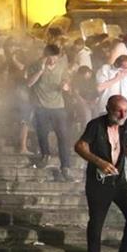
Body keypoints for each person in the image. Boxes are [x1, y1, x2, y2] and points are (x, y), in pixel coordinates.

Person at [74, 95, 127, 252]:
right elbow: (80, 146)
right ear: (108, 109)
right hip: (99, 183)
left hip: (119, 181)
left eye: (125, 111)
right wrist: (99, 162)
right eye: (118, 111)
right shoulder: (95, 125)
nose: (122, 115)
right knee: (97, 222)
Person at [27, 44, 74, 181]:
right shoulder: (35, 65)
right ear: (44, 56)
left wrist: (65, 86)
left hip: (58, 106)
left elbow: (67, 82)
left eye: (55, 57)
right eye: (50, 57)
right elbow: (29, 83)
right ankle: (45, 155)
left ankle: (65, 167)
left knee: (63, 136)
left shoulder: (61, 66)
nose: (53, 60)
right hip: (41, 105)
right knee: (42, 133)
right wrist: (40, 71)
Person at [95, 55, 127, 150]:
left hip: (124, 109)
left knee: (126, 130)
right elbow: (99, 88)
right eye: (125, 67)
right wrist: (116, 79)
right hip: (108, 108)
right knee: (108, 134)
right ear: (117, 64)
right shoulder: (105, 69)